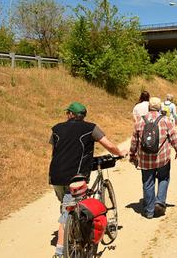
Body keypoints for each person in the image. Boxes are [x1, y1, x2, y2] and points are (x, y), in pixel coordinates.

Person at [49, 102, 127, 258]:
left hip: (55, 176)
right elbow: (108, 145)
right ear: (83, 116)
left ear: (69, 114)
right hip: (76, 177)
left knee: (66, 205)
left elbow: (55, 151)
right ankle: (60, 251)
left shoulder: (56, 129)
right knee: (68, 210)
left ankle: (72, 228)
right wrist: (120, 152)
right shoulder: (90, 128)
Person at [129, 97, 177, 219]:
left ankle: (149, 211)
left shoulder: (140, 122)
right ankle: (159, 202)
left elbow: (134, 141)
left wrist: (132, 155)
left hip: (145, 159)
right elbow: (173, 136)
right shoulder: (165, 120)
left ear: (148, 108)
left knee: (148, 183)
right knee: (164, 178)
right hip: (162, 158)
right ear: (160, 108)